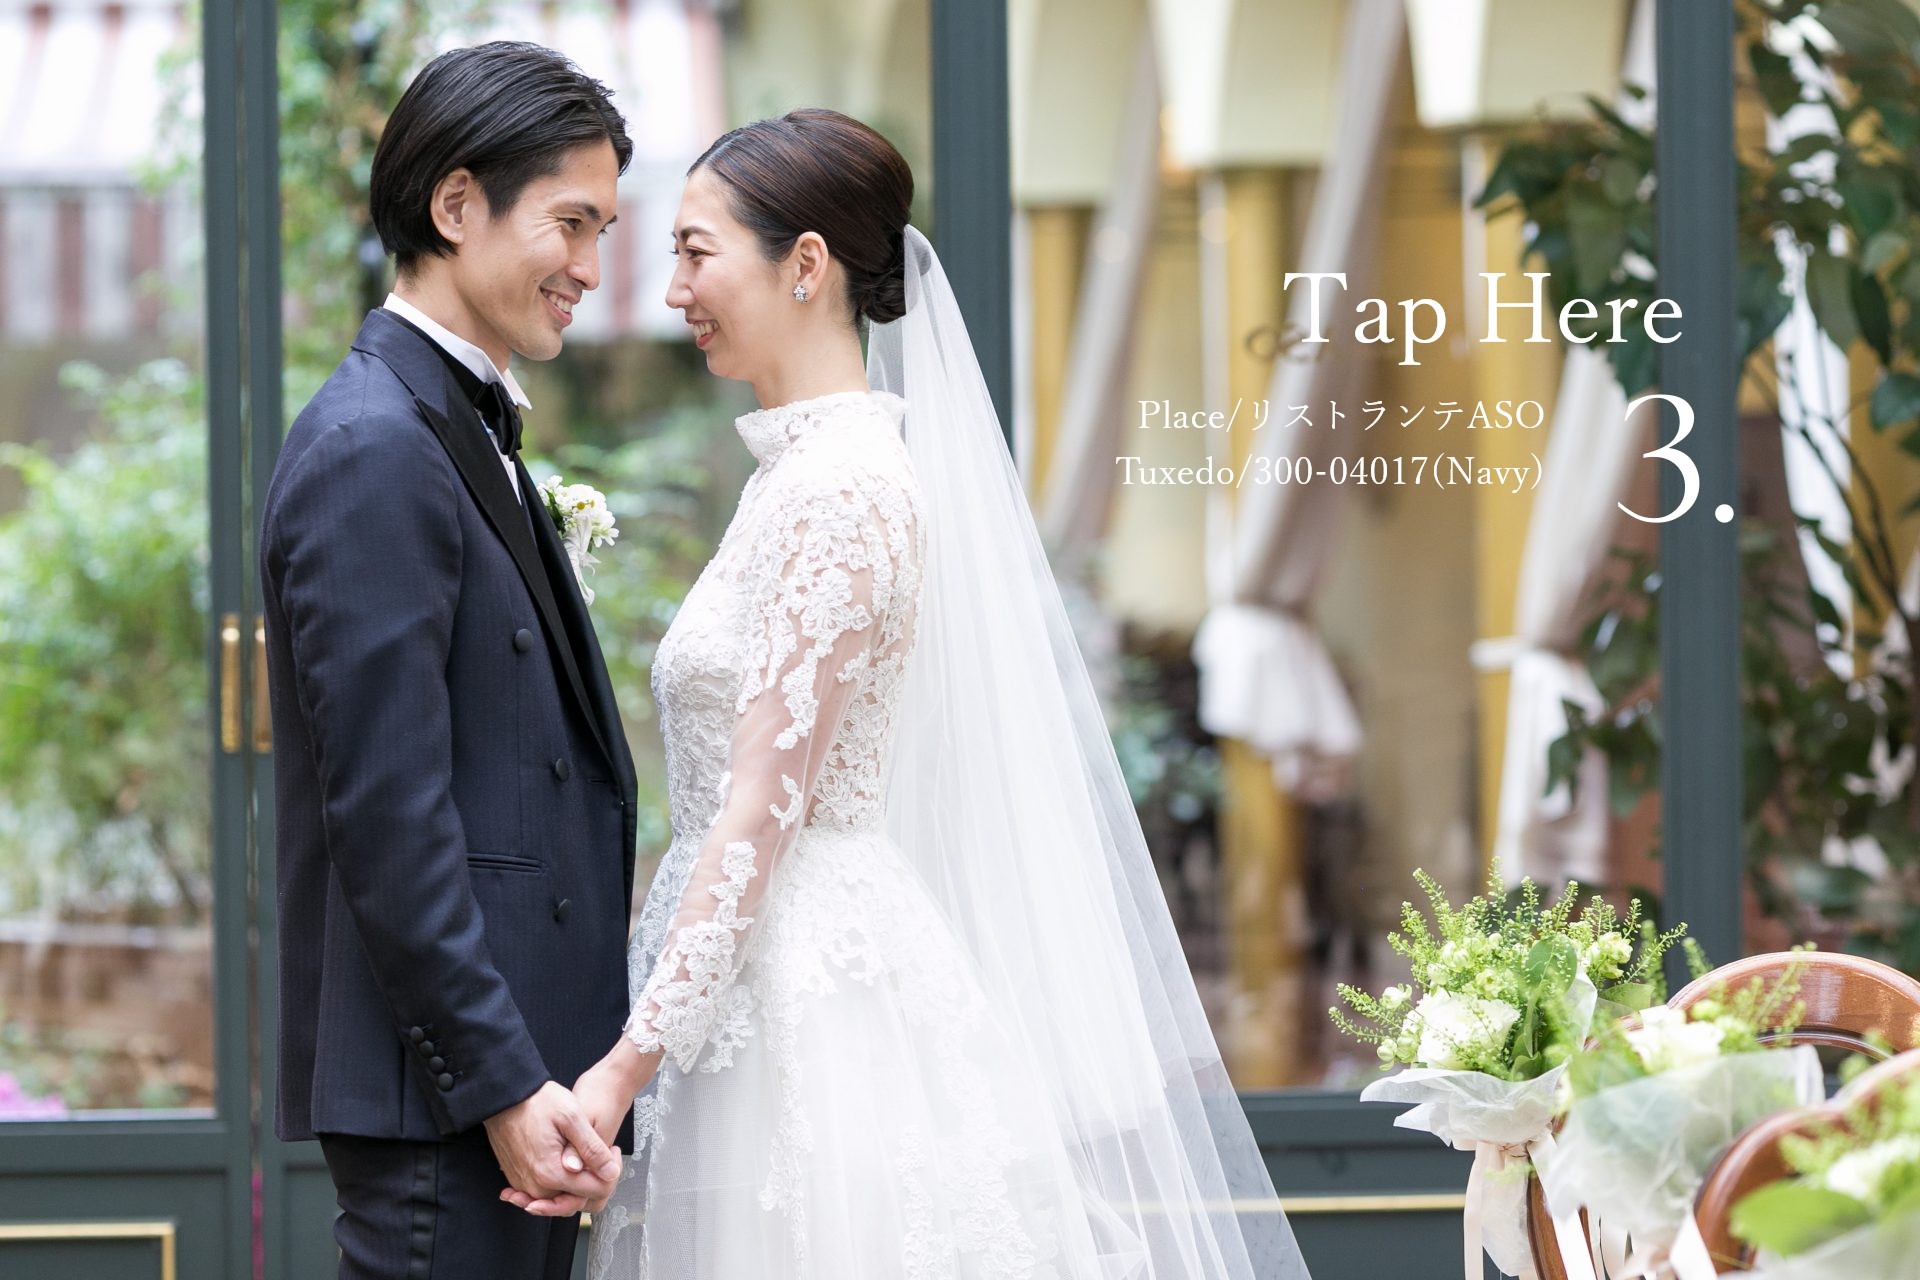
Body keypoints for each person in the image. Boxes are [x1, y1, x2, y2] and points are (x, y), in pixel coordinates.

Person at [504, 108, 1314, 1280]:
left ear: (806, 263)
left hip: (805, 999)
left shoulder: (843, 489)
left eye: (694, 251)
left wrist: (625, 1063)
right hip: (740, 990)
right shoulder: (792, 477)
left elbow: (761, 808)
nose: (672, 288)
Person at [260, 42, 640, 1280]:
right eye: (570, 224)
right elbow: (390, 814)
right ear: (458, 204)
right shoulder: (374, 445)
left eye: (604, 231)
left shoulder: (450, 424)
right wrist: (502, 1083)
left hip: (514, 1096)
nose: (591, 269)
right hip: (454, 1109)